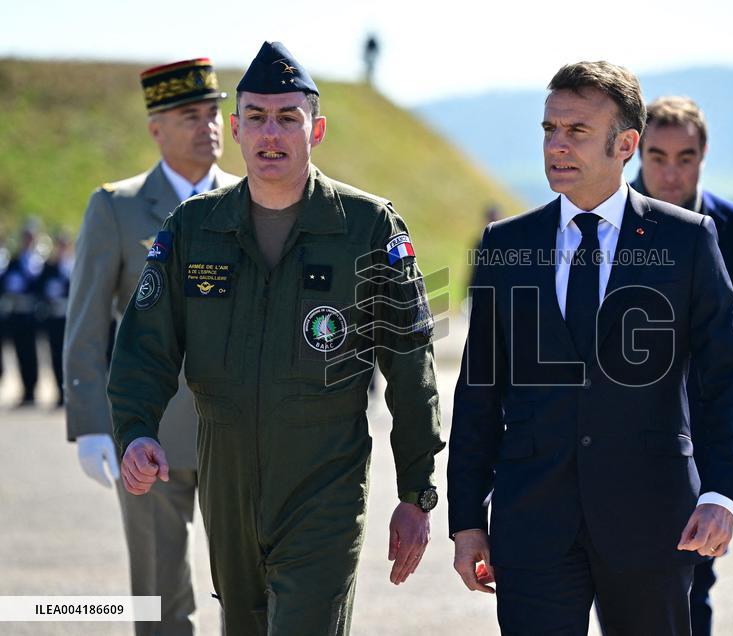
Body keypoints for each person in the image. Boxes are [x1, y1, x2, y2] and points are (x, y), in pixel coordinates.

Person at [107, 42, 444, 636]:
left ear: (316, 130)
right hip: (226, 481)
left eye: (288, 117)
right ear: (235, 128)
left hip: (323, 486)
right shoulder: (194, 228)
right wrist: (136, 430)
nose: (271, 133)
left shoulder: (366, 228)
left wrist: (416, 490)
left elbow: (410, 366)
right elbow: (145, 342)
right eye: (257, 117)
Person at [448, 61, 733, 635]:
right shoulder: (504, 245)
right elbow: (478, 394)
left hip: (654, 521)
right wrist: (467, 518)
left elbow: (727, 375)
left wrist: (724, 490)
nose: (557, 146)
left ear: (626, 144)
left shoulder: (687, 239)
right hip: (532, 522)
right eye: (549, 130)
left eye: (577, 132)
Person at [64, 57, 238, 635]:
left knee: (247, 593)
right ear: (155, 128)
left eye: (213, 112)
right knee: (161, 600)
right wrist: (91, 422)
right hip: (150, 433)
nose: (207, 126)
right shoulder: (116, 207)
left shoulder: (250, 201)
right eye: (189, 115)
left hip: (235, 432)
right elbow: (87, 322)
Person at [631, 95, 733, 636]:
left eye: (685, 157)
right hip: (623, 438)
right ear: (636, 152)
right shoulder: (605, 223)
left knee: (689, 591)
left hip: (705, 440)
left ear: (704, 155)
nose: (670, 172)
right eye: (657, 156)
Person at [0, 225, 43, 407]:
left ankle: (33, 390)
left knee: (32, 353)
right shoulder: (15, 261)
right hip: (17, 313)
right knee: (19, 353)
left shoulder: (39, 262)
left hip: (32, 313)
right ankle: (26, 391)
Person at [37, 231, 73, 407]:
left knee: (71, 358)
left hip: (70, 319)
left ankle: (71, 394)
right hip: (54, 319)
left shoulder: (75, 266)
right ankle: (59, 393)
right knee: (55, 357)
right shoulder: (49, 267)